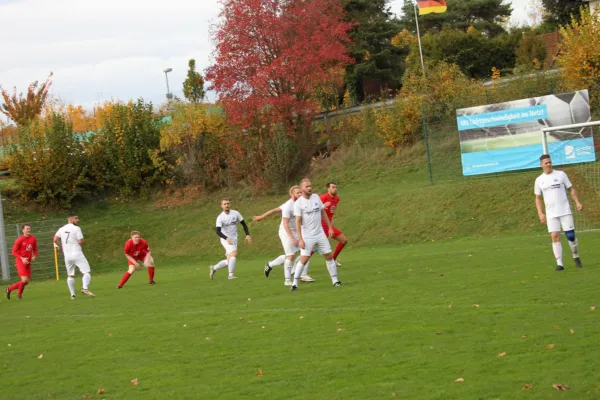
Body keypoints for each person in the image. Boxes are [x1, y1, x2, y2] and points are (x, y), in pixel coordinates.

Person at [253, 185, 313, 286]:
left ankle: (299, 273)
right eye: (297, 193)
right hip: (286, 232)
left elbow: (275, 210)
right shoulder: (288, 206)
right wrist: (292, 238)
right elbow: (285, 223)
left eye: (300, 192)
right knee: (290, 256)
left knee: (306, 251)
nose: (300, 194)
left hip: (297, 231)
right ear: (292, 194)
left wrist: (262, 216)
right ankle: (287, 280)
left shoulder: (302, 203)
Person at [291, 178, 342, 291]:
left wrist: (329, 227)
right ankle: (294, 283)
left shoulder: (315, 197)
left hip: (320, 233)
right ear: (302, 189)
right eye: (307, 187)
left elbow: (323, 213)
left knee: (329, 256)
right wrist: (300, 239)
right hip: (307, 235)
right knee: (304, 259)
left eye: (310, 186)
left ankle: (335, 281)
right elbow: (298, 222)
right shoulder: (298, 203)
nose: (309, 188)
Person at [534, 154, 583, 271]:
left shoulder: (561, 175)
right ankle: (560, 264)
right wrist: (540, 213)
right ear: (541, 165)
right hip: (551, 213)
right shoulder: (539, 180)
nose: (549, 164)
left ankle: (575, 255)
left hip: (565, 210)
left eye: (550, 162)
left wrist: (577, 202)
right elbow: (538, 198)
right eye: (546, 163)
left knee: (570, 236)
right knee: (555, 236)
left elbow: (571, 189)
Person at [53, 214, 95, 298]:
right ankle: (85, 288)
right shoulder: (76, 228)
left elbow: (55, 239)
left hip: (67, 256)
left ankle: (72, 295)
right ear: (71, 219)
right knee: (87, 272)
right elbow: (81, 241)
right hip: (77, 253)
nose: (78, 220)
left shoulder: (61, 229)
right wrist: (77, 242)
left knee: (70, 275)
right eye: (76, 218)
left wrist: (61, 247)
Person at [209, 199, 252, 280]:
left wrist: (247, 235)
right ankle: (231, 275)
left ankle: (214, 268)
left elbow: (244, 224)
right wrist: (226, 238)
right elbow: (218, 232)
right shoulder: (220, 217)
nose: (226, 205)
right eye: (224, 204)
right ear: (221, 206)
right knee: (234, 254)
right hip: (225, 239)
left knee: (230, 259)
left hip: (234, 238)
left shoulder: (235, 213)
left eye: (228, 203)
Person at [5, 224, 38, 300]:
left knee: (26, 282)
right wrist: (22, 258)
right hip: (20, 262)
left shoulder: (33, 238)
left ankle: (9, 289)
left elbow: (35, 248)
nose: (29, 230)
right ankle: (19, 295)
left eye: (29, 228)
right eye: (27, 229)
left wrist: (34, 255)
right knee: (24, 280)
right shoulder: (19, 240)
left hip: (28, 262)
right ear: (23, 230)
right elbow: (13, 251)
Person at [320, 182, 348, 267]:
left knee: (343, 240)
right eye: (333, 187)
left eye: (336, 187)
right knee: (314, 249)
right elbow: (313, 208)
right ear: (328, 189)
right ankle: (300, 265)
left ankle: (333, 260)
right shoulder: (323, 197)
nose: (335, 188)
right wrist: (322, 206)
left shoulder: (337, 199)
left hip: (329, 226)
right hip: (321, 226)